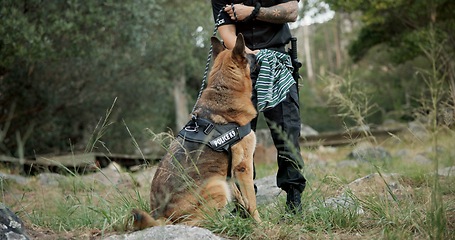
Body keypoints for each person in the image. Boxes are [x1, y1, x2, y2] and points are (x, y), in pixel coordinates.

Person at [211, 0, 307, 214]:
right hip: (242, 65)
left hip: (279, 63)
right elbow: (227, 33)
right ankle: (243, 206)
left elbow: (291, 12)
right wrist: (252, 57)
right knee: (237, 138)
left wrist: (251, 12)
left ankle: (294, 201)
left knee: (287, 131)